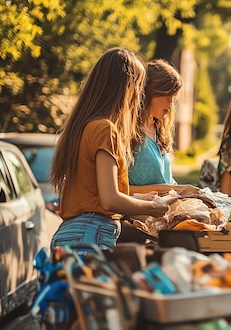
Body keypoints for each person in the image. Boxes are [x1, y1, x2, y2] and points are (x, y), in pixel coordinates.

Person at [49, 47, 174, 251]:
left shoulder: (86, 125)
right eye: (138, 87)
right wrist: (153, 207)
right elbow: (110, 200)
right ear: (126, 88)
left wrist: (141, 198)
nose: (138, 98)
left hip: (76, 234)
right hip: (89, 235)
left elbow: (96, 194)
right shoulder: (105, 129)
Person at [128, 59, 198, 196]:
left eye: (174, 98)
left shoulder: (159, 130)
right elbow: (121, 189)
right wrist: (174, 190)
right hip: (140, 214)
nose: (171, 104)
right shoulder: (129, 132)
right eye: (168, 97)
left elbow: (167, 181)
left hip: (166, 211)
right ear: (151, 93)